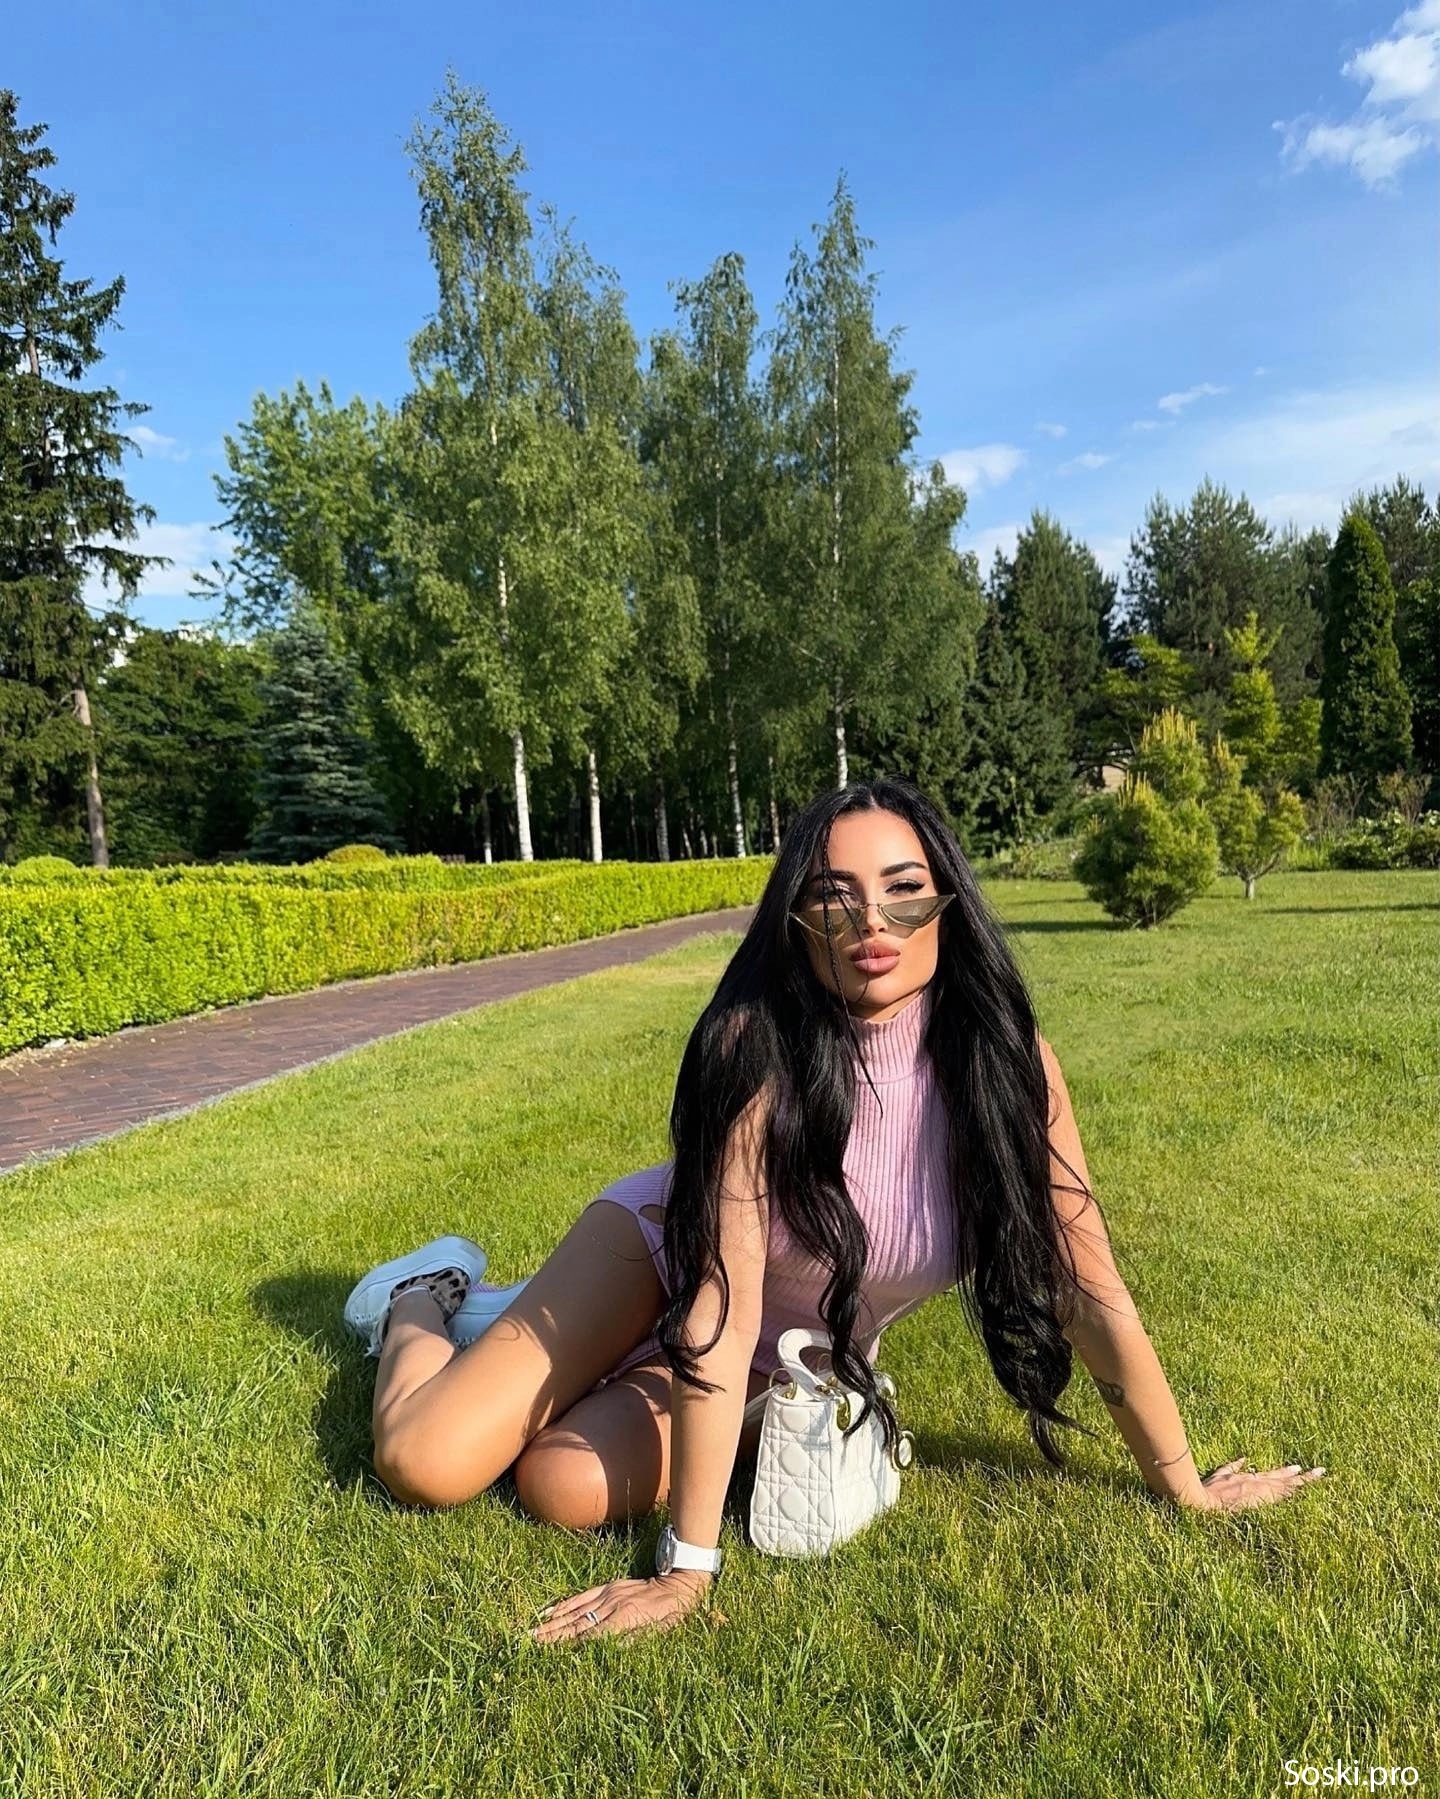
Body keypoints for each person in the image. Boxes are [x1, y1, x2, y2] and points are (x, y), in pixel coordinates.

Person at [342, 776, 1326, 1645]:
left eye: (903, 888)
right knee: (425, 1461)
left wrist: (1184, 1484)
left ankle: (607, 1361)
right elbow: (723, 1308)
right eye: (834, 895)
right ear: (798, 920)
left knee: (559, 1484)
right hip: (662, 1257)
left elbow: (1088, 1286)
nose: (872, 923)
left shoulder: (1008, 1068)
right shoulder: (755, 1052)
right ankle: (425, 1295)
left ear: (947, 901)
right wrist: (687, 1571)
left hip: (791, 1347)